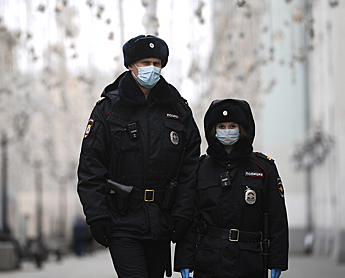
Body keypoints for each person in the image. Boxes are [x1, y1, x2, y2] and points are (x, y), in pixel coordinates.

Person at [77, 35, 202, 278]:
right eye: (145, 62)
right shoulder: (108, 109)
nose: (151, 69)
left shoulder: (178, 109)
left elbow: (190, 167)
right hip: (121, 220)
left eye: (157, 63)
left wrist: (183, 212)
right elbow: (91, 166)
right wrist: (97, 214)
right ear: (130, 65)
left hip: (162, 220)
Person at [174, 99, 289, 278]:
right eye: (221, 126)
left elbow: (277, 218)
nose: (227, 131)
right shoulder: (200, 169)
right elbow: (189, 218)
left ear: (242, 129)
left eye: (232, 125)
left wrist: (278, 261)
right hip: (209, 258)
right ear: (213, 130)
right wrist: (184, 261)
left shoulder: (263, 168)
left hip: (250, 260)